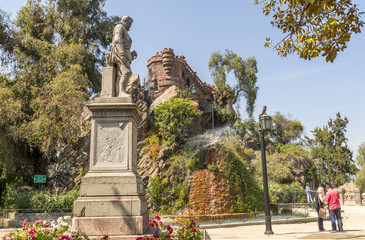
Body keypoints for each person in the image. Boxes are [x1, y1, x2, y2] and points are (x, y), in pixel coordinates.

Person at [111, 16, 137, 97]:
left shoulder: (123, 29)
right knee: (127, 72)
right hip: (120, 54)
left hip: (124, 54)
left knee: (120, 74)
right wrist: (122, 53)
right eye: (129, 23)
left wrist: (131, 55)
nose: (130, 26)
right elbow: (117, 40)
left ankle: (120, 92)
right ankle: (121, 92)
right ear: (124, 21)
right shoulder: (119, 27)